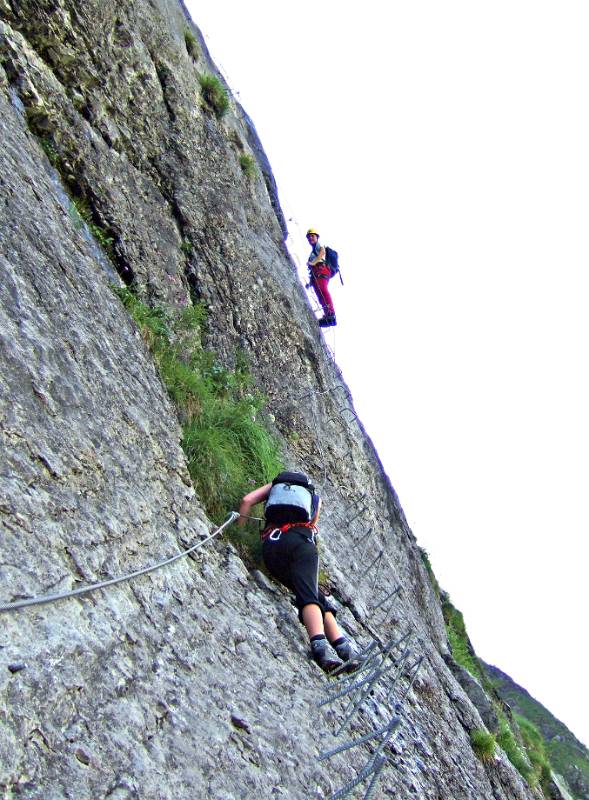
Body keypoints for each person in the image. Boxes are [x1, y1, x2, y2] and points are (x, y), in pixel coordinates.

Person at [238, 471, 358, 672]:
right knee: (310, 596)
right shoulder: (314, 498)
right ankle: (323, 650)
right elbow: (312, 525)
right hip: (301, 545)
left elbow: (247, 500)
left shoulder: (275, 487)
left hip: (272, 549)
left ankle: (343, 648)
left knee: (318, 597)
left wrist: (239, 531)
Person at [306, 228, 336, 327]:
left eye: (312, 236)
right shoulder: (312, 253)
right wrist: (310, 282)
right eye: (309, 237)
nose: (310, 238)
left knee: (323, 290)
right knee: (319, 293)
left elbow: (322, 253)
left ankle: (331, 314)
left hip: (322, 270)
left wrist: (313, 262)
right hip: (316, 273)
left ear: (317, 237)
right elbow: (312, 267)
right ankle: (327, 315)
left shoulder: (319, 246)